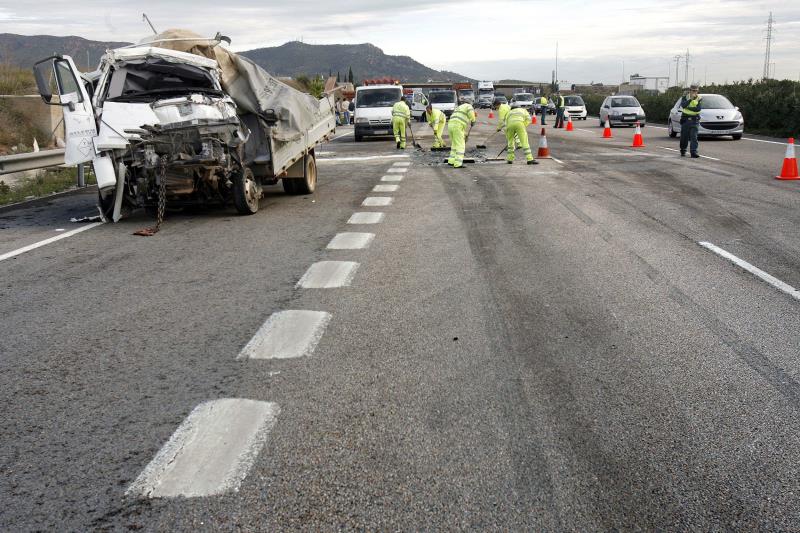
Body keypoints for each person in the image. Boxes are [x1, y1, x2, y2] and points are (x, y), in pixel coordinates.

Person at [447, 102, 476, 168]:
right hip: (457, 125)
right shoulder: (468, 106)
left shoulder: (459, 107)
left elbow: (461, 125)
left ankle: (451, 161)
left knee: (454, 144)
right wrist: (473, 120)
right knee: (461, 145)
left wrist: (464, 135)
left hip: (450, 125)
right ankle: (458, 163)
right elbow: (470, 112)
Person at [679, 85, 703, 158]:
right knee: (684, 137)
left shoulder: (699, 98)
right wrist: (690, 100)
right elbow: (683, 105)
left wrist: (688, 107)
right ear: (690, 90)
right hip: (685, 120)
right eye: (693, 90)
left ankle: (693, 152)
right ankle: (683, 150)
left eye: (696, 90)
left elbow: (698, 109)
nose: (694, 92)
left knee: (694, 137)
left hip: (695, 120)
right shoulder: (685, 97)